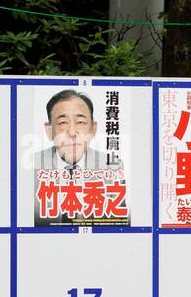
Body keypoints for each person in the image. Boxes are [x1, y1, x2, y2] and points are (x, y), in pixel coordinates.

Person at [33, 89, 126, 226]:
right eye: (63, 122)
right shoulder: (31, 167)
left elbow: (119, 224)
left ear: (93, 129)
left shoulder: (112, 166)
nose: (72, 133)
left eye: (81, 122)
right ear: (49, 130)